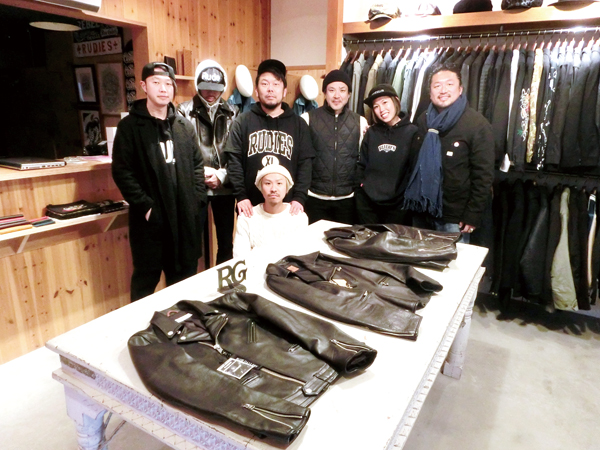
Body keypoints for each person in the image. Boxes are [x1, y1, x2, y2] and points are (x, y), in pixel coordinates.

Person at [112, 62, 207, 301]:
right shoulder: (129, 127)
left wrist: (196, 200)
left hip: (184, 219)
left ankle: (183, 322)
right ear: (144, 86)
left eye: (168, 84)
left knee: (185, 285)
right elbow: (123, 172)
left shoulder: (184, 127)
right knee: (145, 284)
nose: (163, 89)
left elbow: (197, 165)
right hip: (151, 222)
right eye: (156, 83)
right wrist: (146, 208)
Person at [404, 62, 494, 243]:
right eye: (437, 86)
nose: (443, 90)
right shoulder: (423, 120)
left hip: (454, 217)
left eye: (449, 84)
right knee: (420, 259)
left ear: (460, 89)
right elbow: (413, 163)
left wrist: (473, 214)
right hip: (421, 211)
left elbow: (483, 175)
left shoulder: (476, 124)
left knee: (453, 261)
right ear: (430, 93)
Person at [224, 59, 314, 218]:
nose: (270, 89)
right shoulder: (242, 122)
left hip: (288, 209)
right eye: (264, 84)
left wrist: (299, 197)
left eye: (276, 84)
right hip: (250, 208)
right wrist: (241, 196)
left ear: (284, 91)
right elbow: (234, 161)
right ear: (256, 91)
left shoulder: (299, 125)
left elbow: (305, 164)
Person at [177, 60, 237, 265]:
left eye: (216, 88)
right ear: (197, 85)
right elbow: (180, 152)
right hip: (195, 187)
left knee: (226, 243)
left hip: (225, 188)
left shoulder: (233, 112)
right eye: (205, 87)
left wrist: (222, 175)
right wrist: (199, 173)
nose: (211, 93)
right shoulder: (183, 111)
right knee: (192, 243)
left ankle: (222, 283)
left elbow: (237, 153)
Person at [301, 69, 368, 225]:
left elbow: (363, 160)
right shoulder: (307, 119)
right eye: (331, 90)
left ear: (349, 94)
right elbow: (301, 159)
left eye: (342, 90)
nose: (337, 95)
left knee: (344, 240)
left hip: (347, 200)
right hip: (314, 198)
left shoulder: (360, 122)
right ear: (325, 93)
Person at [355, 84, 420, 225]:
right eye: (376, 106)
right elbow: (362, 164)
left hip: (399, 207)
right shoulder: (371, 132)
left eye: (385, 102)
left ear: (396, 101)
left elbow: (414, 171)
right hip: (368, 205)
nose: (381, 109)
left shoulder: (413, 133)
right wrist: (361, 187)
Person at [233, 165, 308, 258]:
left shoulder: (299, 217)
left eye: (279, 183)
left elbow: (301, 254)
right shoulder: (246, 218)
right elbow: (240, 257)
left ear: (287, 188)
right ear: (261, 188)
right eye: (268, 183)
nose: (273, 189)